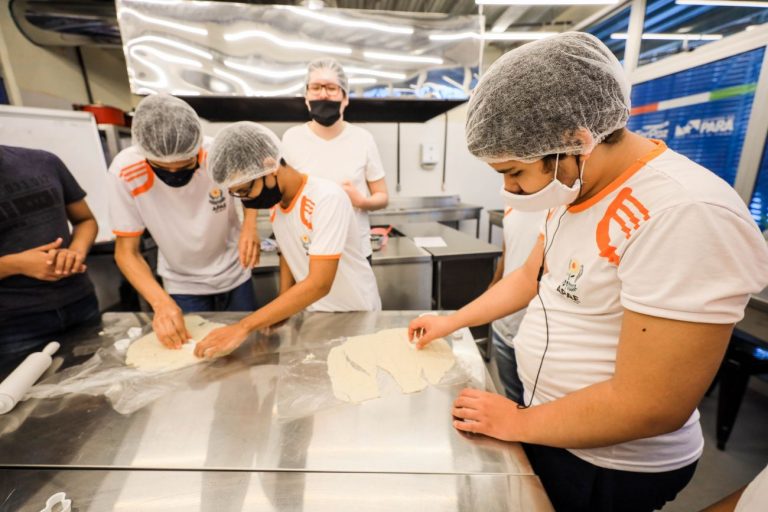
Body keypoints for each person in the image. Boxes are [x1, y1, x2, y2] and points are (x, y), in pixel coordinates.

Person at [407, 32, 768, 512]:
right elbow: (528, 278)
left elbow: (652, 404)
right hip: (551, 426)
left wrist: (514, 422)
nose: (510, 191)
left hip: (610, 464)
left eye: (514, 172)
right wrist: (453, 321)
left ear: (576, 140)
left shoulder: (685, 212)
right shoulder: (576, 186)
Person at [194, 122, 381, 358]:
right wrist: (282, 306)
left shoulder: (326, 198)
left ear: (270, 166)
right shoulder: (277, 204)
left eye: (244, 190)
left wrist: (244, 326)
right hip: (315, 314)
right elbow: (289, 251)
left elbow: (319, 283)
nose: (245, 199)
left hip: (355, 314)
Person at [107, 94, 259, 350]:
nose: (175, 174)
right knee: (194, 362)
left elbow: (252, 186)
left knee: (246, 353)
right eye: (164, 168)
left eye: (186, 165)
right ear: (145, 155)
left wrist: (249, 226)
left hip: (235, 272)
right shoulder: (124, 171)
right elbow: (126, 252)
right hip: (182, 283)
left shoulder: (218, 153)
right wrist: (161, 303)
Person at [281, 58, 388, 261]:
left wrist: (362, 201)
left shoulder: (363, 139)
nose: (323, 94)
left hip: (355, 253)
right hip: (308, 253)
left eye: (331, 88)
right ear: (306, 96)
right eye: (316, 87)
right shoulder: (291, 138)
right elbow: (284, 200)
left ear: (345, 97)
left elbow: (382, 196)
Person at [0, 144, 100, 356]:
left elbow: (85, 220)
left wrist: (75, 253)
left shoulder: (44, 162)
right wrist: (15, 264)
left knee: (102, 382)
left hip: (80, 302)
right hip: (13, 324)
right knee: (29, 389)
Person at [488, 207, 546, 402]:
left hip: (537, 337)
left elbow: (529, 278)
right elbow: (509, 249)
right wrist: (495, 283)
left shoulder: (559, 208)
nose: (508, 187)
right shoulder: (512, 203)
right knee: (512, 400)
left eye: (517, 173)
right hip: (503, 328)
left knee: (535, 409)